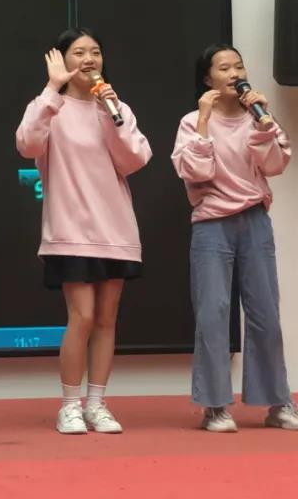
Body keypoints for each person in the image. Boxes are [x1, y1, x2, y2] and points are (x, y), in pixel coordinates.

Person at [15, 28, 151, 434]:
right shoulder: (49, 106)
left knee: (107, 320)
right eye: (79, 52)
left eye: (95, 52)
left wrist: (112, 112)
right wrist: (51, 90)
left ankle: (97, 403)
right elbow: (27, 144)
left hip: (115, 229)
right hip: (70, 229)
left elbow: (135, 159)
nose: (89, 59)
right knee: (83, 317)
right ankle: (70, 405)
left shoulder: (114, 106)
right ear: (61, 60)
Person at [171, 44, 298, 432]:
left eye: (238, 66)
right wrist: (204, 121)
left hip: (255, 221)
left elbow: (275, 164)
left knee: (265, 313)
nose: (234, 73)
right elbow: (195, 172)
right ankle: (214, 406)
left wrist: (263, 125)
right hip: (212, 224)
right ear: (207, 78)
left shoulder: (259, 116)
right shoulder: (192, 121)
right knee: (212, 314)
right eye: (224, 68)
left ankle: (278, 402)